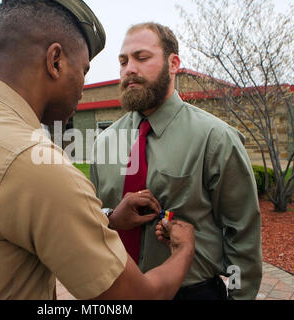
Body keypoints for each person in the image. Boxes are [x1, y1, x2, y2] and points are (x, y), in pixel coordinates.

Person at [0, 0, 195, 300]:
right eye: (83, 69)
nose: (82, 85)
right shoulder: (35, 163)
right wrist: (184, 251)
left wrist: (108, 218)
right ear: (55, 61)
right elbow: (136, 298)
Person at [90, 22, 262, 300]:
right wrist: (110, 217)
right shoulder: (105, 142)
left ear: (173, 63)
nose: (129, 69)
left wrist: (238, 296)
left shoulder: (215, 139)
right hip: (116, 293)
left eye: (141, 58)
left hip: (192, 293)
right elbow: (91, 215)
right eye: (123, 61)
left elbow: (242, 235)